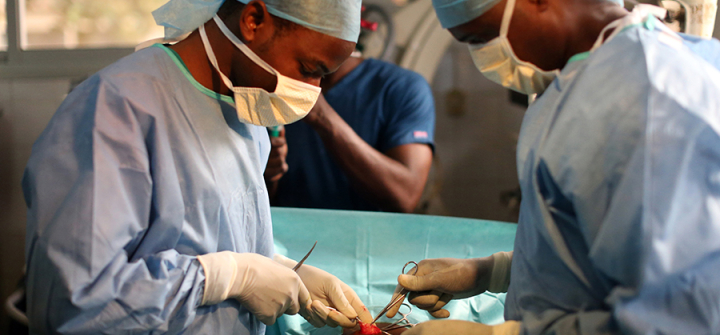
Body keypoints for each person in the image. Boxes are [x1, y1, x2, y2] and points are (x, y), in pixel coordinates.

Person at [21, 0, 375, 333]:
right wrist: (225, 278)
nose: (311, 91)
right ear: (253, 21)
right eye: (309, 69)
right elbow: (76, 304)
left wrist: (279, 269)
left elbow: (212, 238)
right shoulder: (116, 109)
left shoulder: (247, 111)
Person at [385, 0, 720, 334]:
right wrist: (495, 272)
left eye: (483, 36)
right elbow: (594, 246)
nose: (485, 56)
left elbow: (678, 317)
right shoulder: (575, 82)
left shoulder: (650, 100)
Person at [264, 48, 435, 213]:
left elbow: (406, 196)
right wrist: (269, 174)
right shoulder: (268, 83)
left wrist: (320, 115)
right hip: (288, 237)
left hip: (369, 239)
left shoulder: (401, 87)